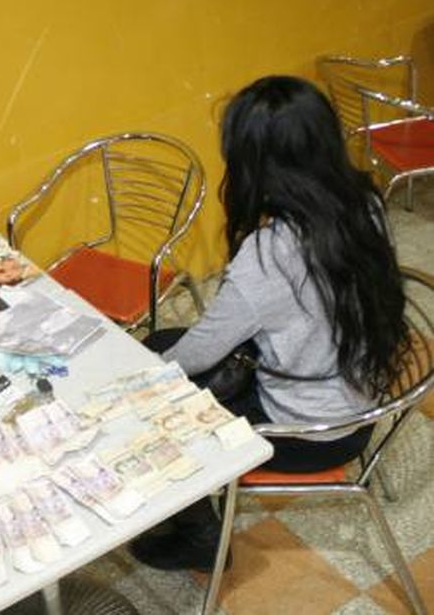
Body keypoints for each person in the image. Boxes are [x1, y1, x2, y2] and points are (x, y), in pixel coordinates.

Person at [130, 75, 409, 572]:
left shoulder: (269, 255)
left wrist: (140, 374)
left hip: (305, 432)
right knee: (166, 345)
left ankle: (199, 534)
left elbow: (199, 354)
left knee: (155, 391)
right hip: (360, 398)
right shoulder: (364, 202)